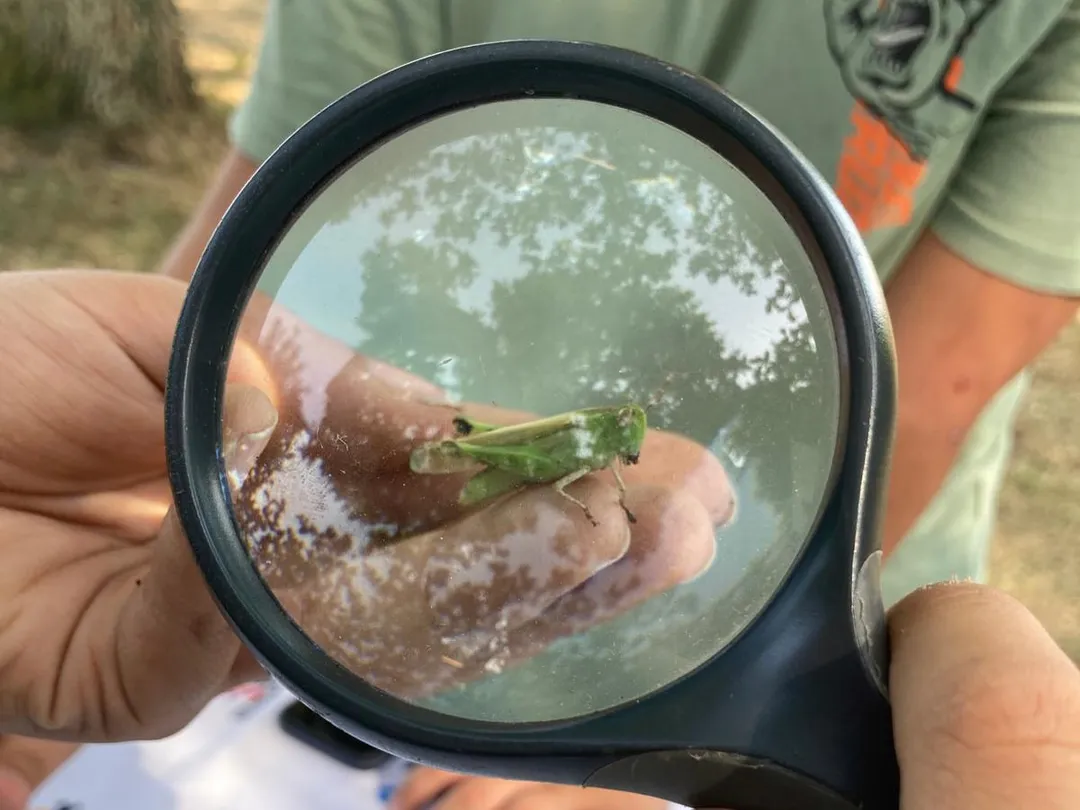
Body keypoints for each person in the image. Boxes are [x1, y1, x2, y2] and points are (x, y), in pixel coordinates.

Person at [0, 269, 1077, 810]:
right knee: (588, 506)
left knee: (610, 515)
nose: (628, 439)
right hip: (440, 489)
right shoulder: (586, 445)